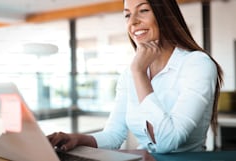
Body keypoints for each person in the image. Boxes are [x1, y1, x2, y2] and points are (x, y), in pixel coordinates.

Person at [48, 0, 223, 153]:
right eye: (127, 15)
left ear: (166, 15)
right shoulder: (130, 73)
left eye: (144, 10)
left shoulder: (197, 64)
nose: (133, 22)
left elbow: (167, 142)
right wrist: (78, 139)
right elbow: (114, 135)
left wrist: (140, 74)